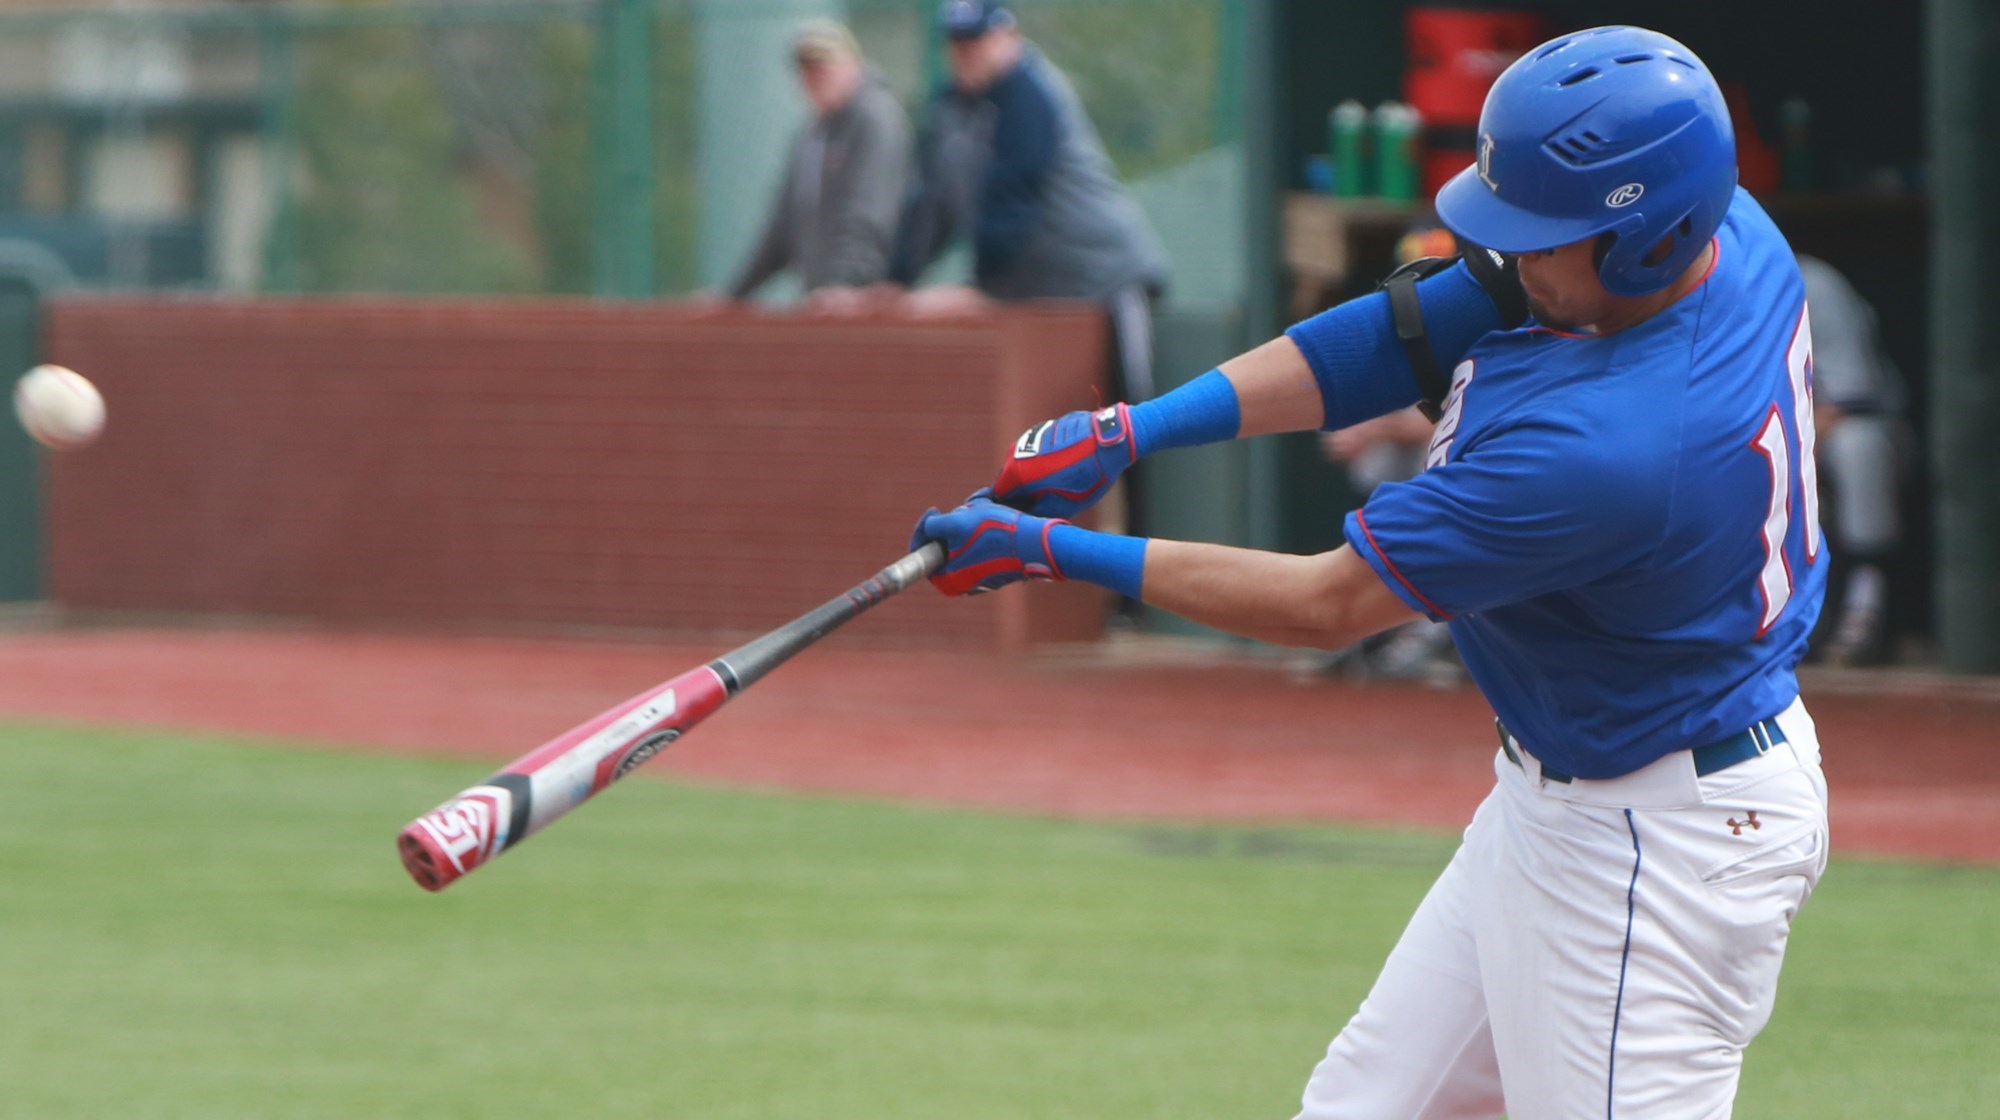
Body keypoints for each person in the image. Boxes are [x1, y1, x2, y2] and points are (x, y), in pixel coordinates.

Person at [911, 26, 1830, 1118]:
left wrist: (1050, 550)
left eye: (1547, 234)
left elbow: (1325, 603)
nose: (1514, 257)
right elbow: (1408, 330)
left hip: (1655, 841)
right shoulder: (1715, 230)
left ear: (1643, 235)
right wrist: (1131, 428)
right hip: (1573, 794)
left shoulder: (1608, 450)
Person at [885, 0, 1169, 404]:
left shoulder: (1028, 91)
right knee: (1045, 429)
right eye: (955, 40)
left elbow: (1011, 199)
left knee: (1127, 421)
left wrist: (980, 286)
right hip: (1036, 296)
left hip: (1102, 282)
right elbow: (930, 204)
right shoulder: (949, 107)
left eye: (976, 39)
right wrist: (897, 280)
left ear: (1008, 36)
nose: (964, 51)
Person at [719, 20, 910, 309]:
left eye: (824, 65)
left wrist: (845, 286)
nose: (815, 76)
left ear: (853, 63)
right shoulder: (811, 133)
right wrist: (733, 297)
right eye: (806, 68)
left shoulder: (876, 119)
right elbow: (782, 229)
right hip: (823, 301)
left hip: (862, 303)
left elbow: (870, 215)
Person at [1796, 253, 1908, 666]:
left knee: (1860, 447)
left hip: (1858, 428)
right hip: (1781, 436)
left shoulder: (1813, 281)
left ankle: (1866, 605)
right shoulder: (1703, 287)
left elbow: (1850, 401)